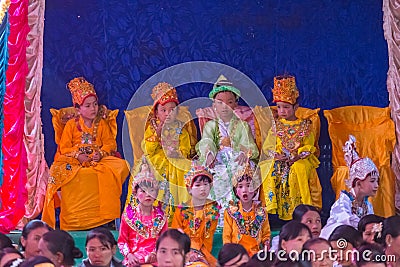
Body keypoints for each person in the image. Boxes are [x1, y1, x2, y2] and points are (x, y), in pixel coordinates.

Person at [42, 77, 129, 230]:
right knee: (62, 172)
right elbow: (64, 148)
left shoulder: (101, 123)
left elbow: (110, 143)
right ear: (78, 109)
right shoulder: (71, 125)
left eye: (95, 104)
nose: (93, 109)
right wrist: (78, 155)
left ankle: (106, 216)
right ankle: (73, 221)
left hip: (97, 160)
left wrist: (101, 153)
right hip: (75, 161)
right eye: (87, 106)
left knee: (121, 166)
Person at [196, 75, 259, 227]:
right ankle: (217, 216)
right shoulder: (211, 125)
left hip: (237, 159)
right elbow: (206, 141)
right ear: (214, 105)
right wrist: (209, 154)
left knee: (242, 170)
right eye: (220, 103)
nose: (224, 107)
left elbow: (250, 145)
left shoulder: (242, 125)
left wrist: (245, 153)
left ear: (235, 104)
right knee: (210, 173)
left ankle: (240, 213)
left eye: (229, 102)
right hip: (217, 160)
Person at [260, 75, 322, 221]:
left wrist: (298, 155)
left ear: (296, 107)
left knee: (299, 169)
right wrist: (276, 154)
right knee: (267, 167)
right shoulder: (276, 126)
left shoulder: (305, 125)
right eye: (279, 107)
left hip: (300, 158)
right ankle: (271, 209)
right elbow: (268, 146)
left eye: (286, 107)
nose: (282, 111)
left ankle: (304, 209)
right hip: (281, 158)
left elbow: (309, 145)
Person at [142, 82, 192, 217]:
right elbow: (147, 149)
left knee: (186, 168)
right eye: (163, 110)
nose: (168, 114)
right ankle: (157, 212)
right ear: (156, 112)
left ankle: (181, 212)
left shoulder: (181, 127)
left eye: (172, 110)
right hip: (158, 157)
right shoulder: (152, 127)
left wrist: (177, 153)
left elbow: (185, 147)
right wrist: (157, 133)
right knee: (155, 169)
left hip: (176, 158)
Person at [320, 135, 378, 239]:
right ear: (358, 183)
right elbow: (345, 224)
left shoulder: (367, 205)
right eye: (372, 181)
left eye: (377, 181)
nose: (376, 186)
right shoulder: (343, 203)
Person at [118, 157, 168, 266]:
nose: (148, 195)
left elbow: (164, 240)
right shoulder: (128, 216)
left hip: (156, 259)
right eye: (143, 191)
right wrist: (129, 255)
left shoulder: (161, 217)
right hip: (134, 259)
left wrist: (155, 253)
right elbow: (122, 241)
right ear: (135, 193)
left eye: (151, 191)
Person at [171, 163, 220, 267]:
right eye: (197, 185)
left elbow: (208, 237)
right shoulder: (181, 210)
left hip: (203, 253)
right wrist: (188, 253)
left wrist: (199, 254)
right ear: (189, 189)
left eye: (206, 184)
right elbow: (176, 237)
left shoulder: (213, 209)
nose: (202, 188)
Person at [223, 163, 270, 256]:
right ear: (236, 190)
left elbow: (266, 234)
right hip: (237, 254)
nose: (245, 190)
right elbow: (226, 237)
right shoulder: (230, 212)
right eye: (240, 186)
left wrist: (266, 243)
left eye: (248, 185)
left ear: (255, 189)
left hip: (255, 254)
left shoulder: (261, 211)